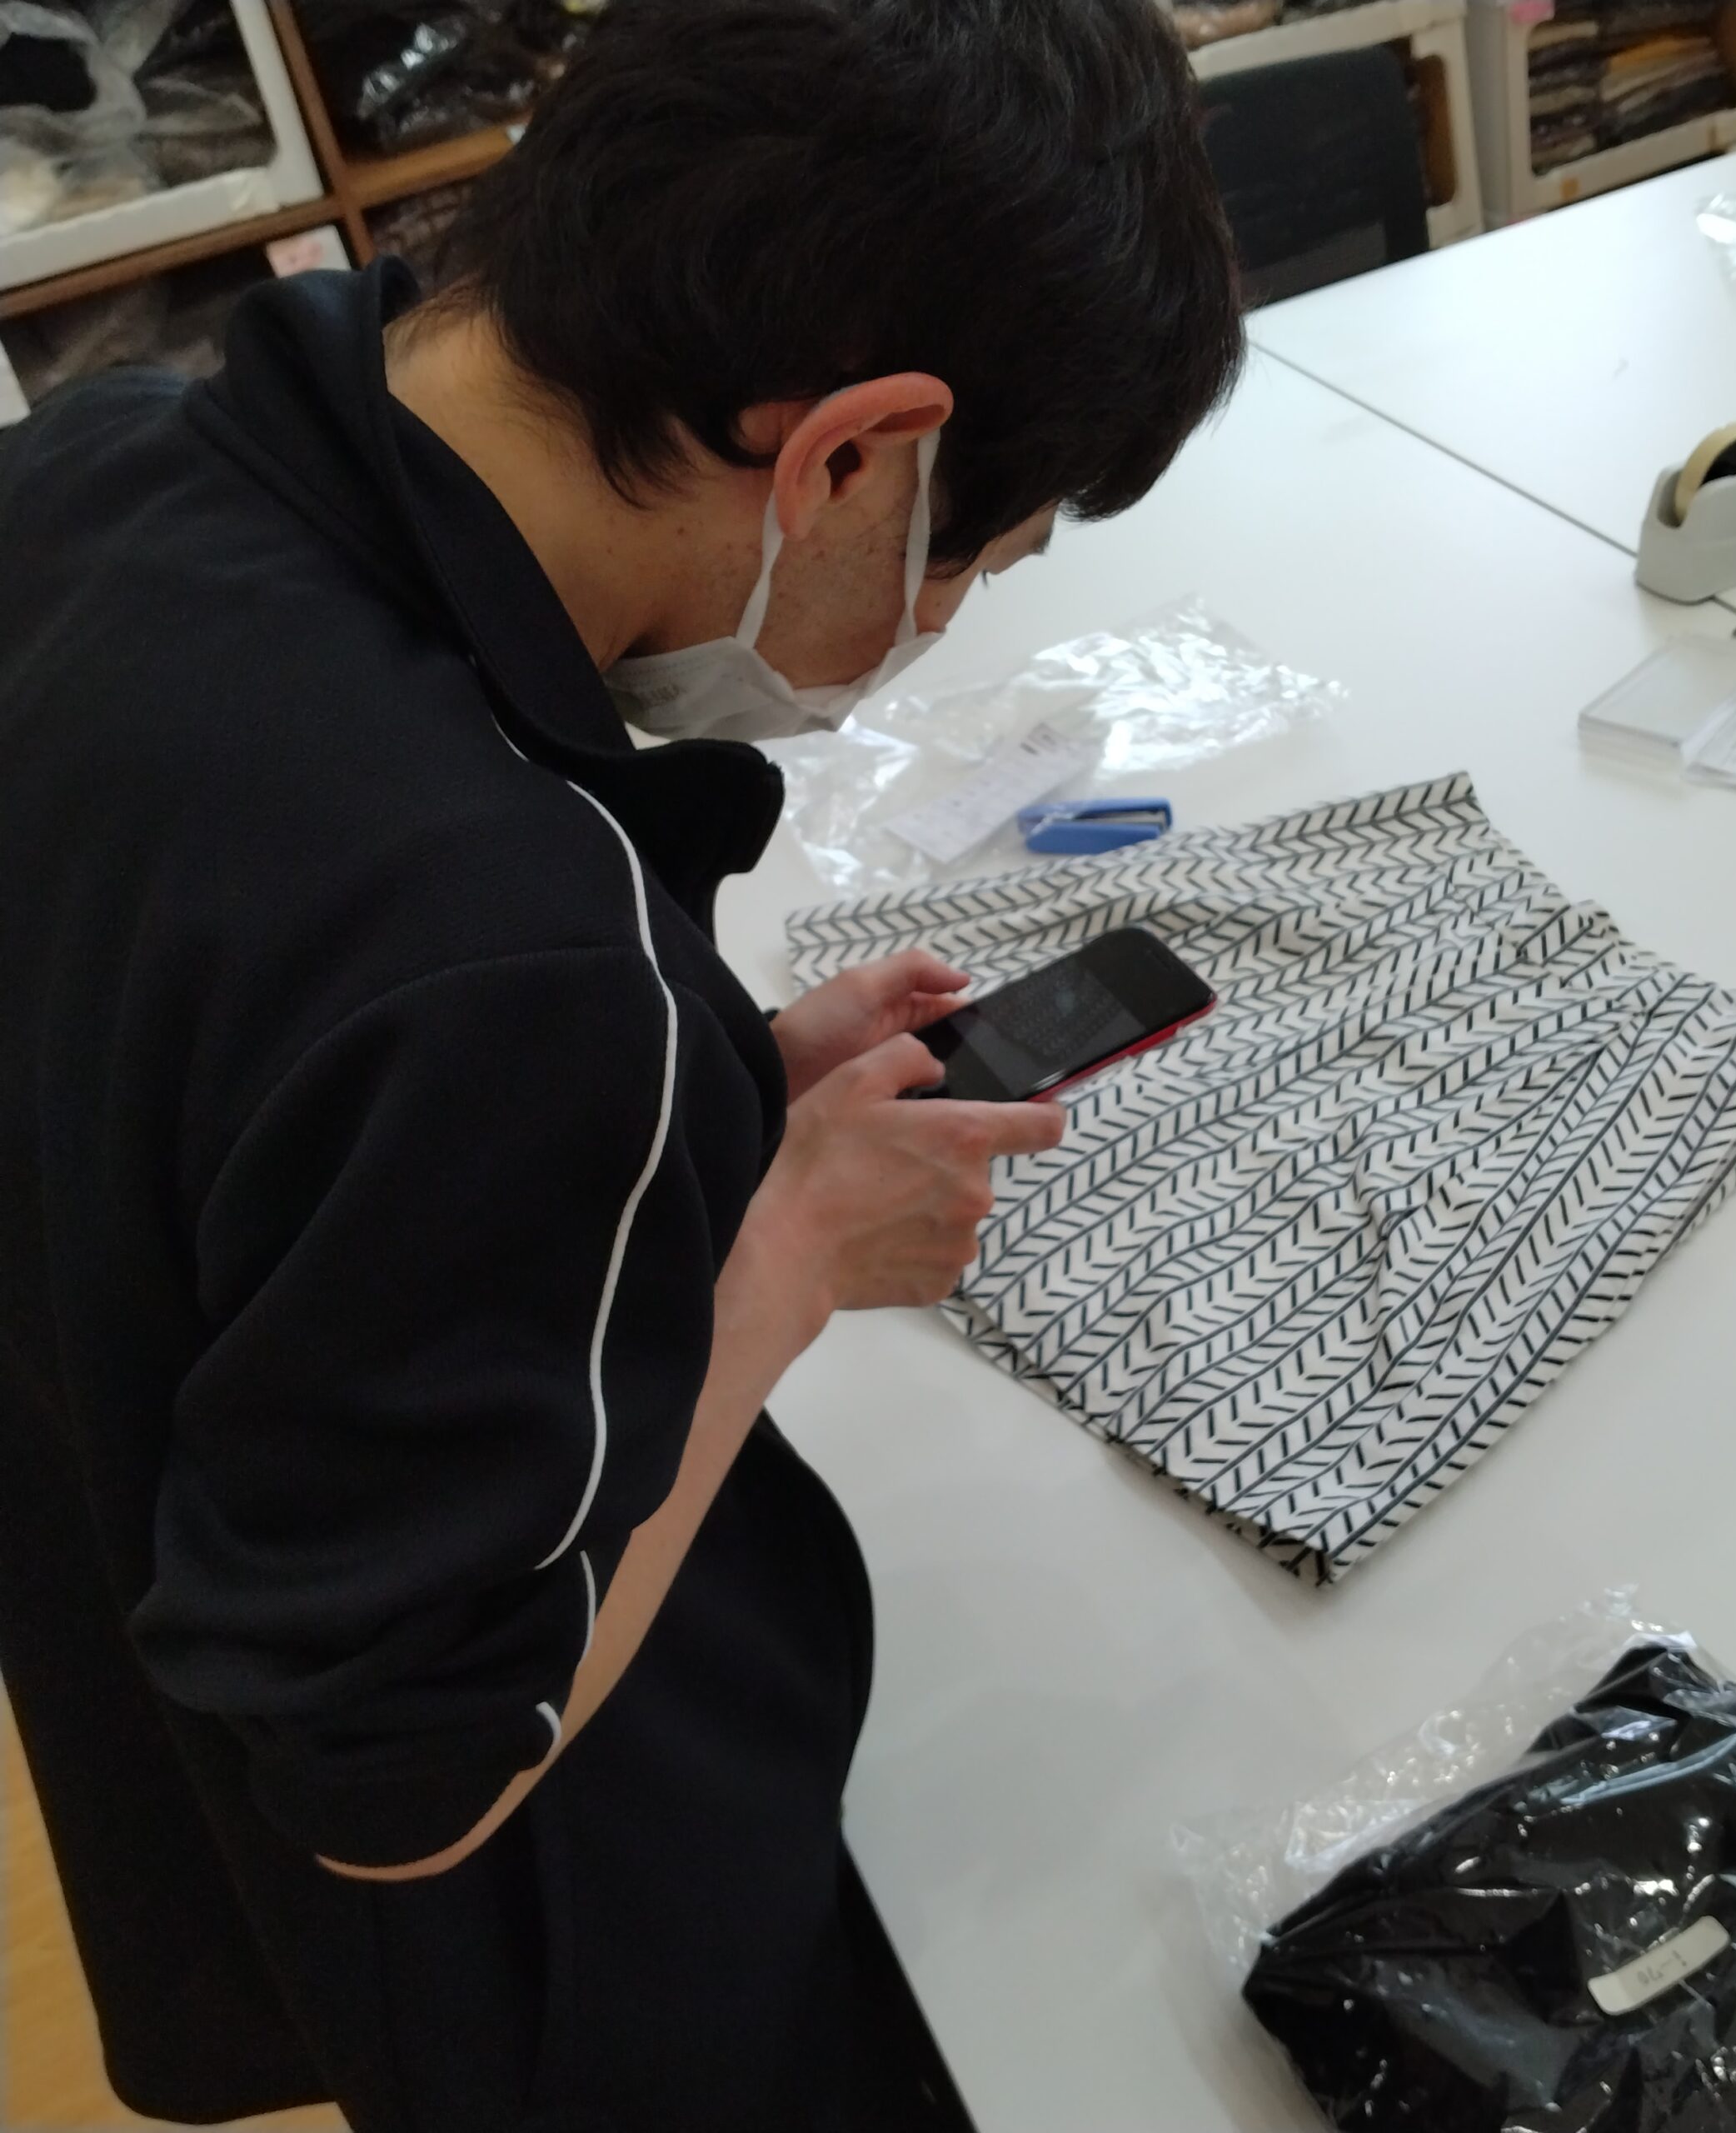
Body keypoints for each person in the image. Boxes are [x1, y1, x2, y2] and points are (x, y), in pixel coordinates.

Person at [0, 1, 1243, 2126]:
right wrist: (787, 1246)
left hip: (129, 1594)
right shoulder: (514, 953)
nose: (938, 613)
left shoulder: (91, 468)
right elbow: (401, 1780)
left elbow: (229, 1075)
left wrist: (705, 1091)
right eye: (971, 552)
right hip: (537, 1925)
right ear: (848, 453)